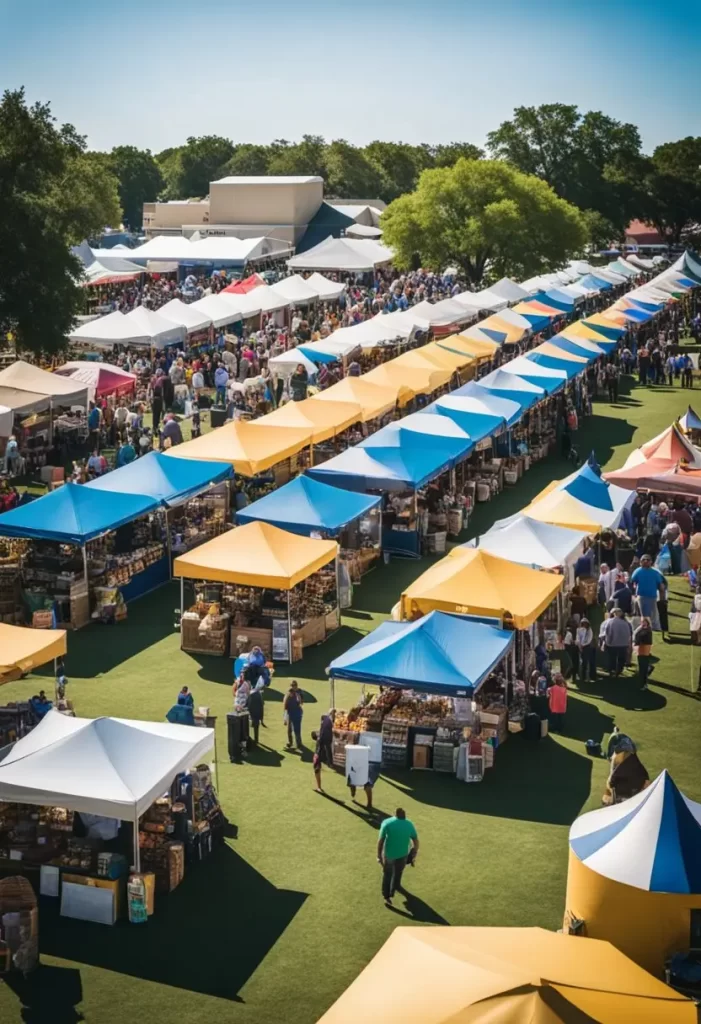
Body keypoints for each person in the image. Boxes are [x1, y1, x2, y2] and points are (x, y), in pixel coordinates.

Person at [377, 808, 419, 907]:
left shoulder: (387, 823)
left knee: (387, 875)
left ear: (395, 814)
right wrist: (414, 853)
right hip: (403, 854)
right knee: (398, 872)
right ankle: (395, 886)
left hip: (389, 855)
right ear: (404, 815)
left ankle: (386, 896)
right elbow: (415, 840)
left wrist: (379, 855)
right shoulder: (409, 824)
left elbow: (381, 841)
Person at [631, 554, 667, 631]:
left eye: (648, 560)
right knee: (642, 614)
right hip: (641, 596)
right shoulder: (637, 571)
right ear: (640, 562)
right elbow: (633, 582)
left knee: (654, 614)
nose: (646, 561)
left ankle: (656, 628)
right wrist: (634, 593)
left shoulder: (655, 572)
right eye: (644, 560)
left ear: (651, 562)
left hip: (652, 596)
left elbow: (661, 585)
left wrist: (662, 597)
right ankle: (642, 628)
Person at [603, 608, 633, 677]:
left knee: (612, 658)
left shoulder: (610, 622)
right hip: (623, 644)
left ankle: (611, 670)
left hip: (612, 644)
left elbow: (608, 633)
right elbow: (629, 634)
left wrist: (607, 642)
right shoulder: (626, 622)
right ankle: (619, 671)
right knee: (621, 659)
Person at [312, 711, 335, 793]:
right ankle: (319, 787)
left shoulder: (323, 732)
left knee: (316, 768)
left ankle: (319, 787)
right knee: (316, 768)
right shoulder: (324, 728)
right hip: (320, 751)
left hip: (319, 752)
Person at [632, 616, 654, 690]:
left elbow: (637, 636)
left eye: (644, 622)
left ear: (647, 622)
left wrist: (640, 629)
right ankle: (644, 682)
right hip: (641, 650)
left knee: (642, 670)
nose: (643, 623)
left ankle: (643, 684)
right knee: (642, 668)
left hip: (644, 650)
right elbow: (635, 635)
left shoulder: (647, 631)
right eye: (642, 622)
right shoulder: (644, 629)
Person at [283, 680, 304, 748]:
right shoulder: (289, 693)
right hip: (290, 713)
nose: (293, 687)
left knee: (297, 729)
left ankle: (299, 743)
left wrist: (298, 696)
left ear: (296, 686)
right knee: (289, 730)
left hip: (297, 713)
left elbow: (301, 703)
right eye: (292, 686)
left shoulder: (299, 692)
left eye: (294, 685)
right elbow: (285, 705)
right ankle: (290, 742)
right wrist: (285, 718)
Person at [576, 617, 596, 683]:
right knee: (583, 663)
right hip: (581, 647)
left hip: (588, 647)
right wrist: (580, 646)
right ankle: (583, 677)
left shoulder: (590, 630)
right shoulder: (579, 630)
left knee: (590, 662)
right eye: (583, 623)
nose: (584, 625)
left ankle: (591, 677)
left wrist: (583, 645)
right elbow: (578, 638)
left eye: (585, 623)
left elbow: (589, 639)